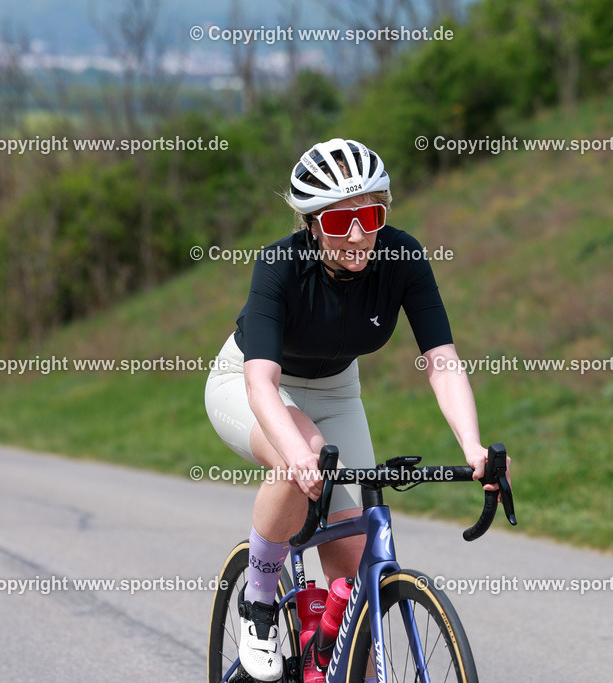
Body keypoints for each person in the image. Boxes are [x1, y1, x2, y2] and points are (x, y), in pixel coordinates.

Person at [204, 138, 507, 681]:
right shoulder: (280, 265)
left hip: (338, 389)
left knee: (352, 567)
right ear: (311, 223)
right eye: (340, 221)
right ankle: (259, 603)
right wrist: (297, 455)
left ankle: (335, 657)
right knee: (304, 463)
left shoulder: (402, 255)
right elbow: (261, 383)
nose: (357, 234)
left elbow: (441, 361)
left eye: (370, 214)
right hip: (252, 381)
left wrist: (473, 448)